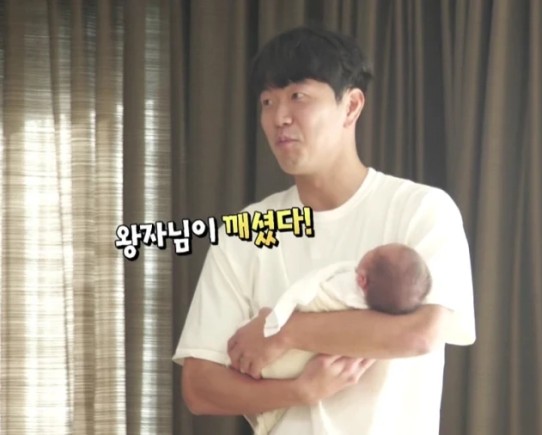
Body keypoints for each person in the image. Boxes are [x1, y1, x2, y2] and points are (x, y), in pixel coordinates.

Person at [173, 25, 476, 435]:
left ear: (351, 106)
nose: (279, 117)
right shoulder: (246, 231)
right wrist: (299, 391)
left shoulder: (421, 209)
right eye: (267, 102)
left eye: (298, 96)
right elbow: (199, 386)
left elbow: (421, 333)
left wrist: (283, 333)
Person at [246, 243, 433, 435]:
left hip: (273, 362)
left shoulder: (343, 290)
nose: (371, 248)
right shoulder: (383, 325)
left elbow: (311, 298)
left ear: (362, 280)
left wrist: (278, 321)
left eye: (376, 251)